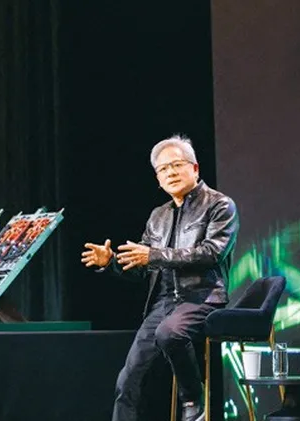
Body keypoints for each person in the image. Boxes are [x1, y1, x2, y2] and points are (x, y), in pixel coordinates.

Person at [81, 135, 239, 421]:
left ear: (195, 168)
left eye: (177, 165)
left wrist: (153, 255)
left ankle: (192, 397)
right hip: (162, 302)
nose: (171, 173)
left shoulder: (219, 205)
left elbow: (211, 253)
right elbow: (142, 268)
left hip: (201, 297)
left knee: (170, 332)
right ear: (158, 179)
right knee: (127, 381)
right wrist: (112, 262)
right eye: (163, 169)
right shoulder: (158, 216)